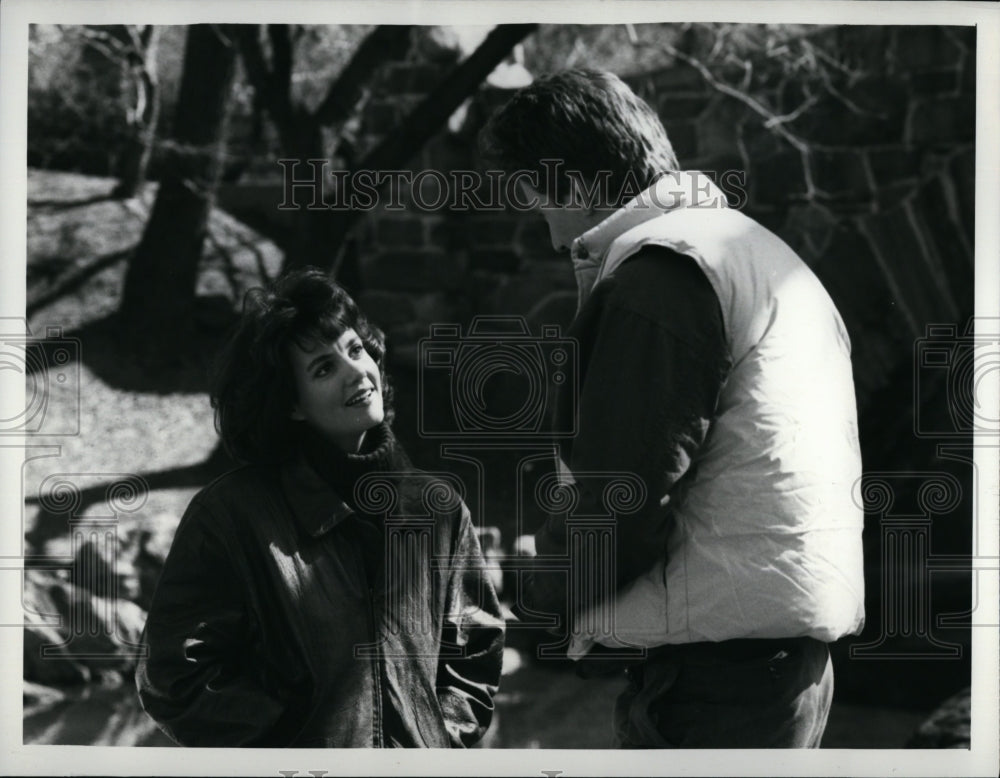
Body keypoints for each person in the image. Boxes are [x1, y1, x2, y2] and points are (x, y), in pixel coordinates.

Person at [479, 69, 864, 748]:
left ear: (570, 182)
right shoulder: (754, 252)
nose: (548, 235)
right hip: (778, 658)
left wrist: (530, 591)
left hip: (713, 676)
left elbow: (622, 498)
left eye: (541, 203)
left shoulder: (660, 274)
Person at [135, 268, 505, 747]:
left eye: (355, 349)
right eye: (323, 368)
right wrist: (297, 739)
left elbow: (475, 652)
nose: (356, 371)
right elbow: (175, 678)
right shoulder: (231, 517)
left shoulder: (439, 509)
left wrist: (436, 738)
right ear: (291, 404)